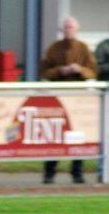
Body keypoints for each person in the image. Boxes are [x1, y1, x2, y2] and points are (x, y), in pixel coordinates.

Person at [38, 16, 98, 184]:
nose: (68, 30)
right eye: (66, 27)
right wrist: (60, 71)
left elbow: (93, 72)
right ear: (61, 30)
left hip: (78, 100)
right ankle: (49, 173)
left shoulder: (84, 48)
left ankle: (77, 173)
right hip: (58, 100)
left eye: (71, 27)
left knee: (78, 137)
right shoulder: (53, 49)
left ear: (77, 29)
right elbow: (43, 71)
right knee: (55, 138)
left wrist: (80, 70)